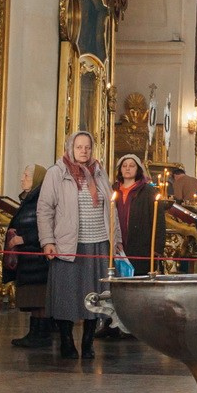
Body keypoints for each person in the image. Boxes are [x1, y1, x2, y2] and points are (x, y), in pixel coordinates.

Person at [38, 130, 113, 360]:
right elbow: (45, 209)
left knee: (95, 296)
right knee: (67, 296)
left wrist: (116, 243)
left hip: (98, 242)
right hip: (68, 244)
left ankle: (88, 342)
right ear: (71, 148)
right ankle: (67, 341)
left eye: (87, 147)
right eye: (79, 147)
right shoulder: (56, 173)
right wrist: (47, 241)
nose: (83, 151)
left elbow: (112, 210)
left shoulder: (99, 172)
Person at [6, 164, 52, 349]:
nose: (22, 178)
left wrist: (22, 239)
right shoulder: (30, 198)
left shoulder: (41, 199)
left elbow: (45, 228)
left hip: (38, 259)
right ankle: (34, 333)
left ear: (37, 179)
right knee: (34, 300)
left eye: (26, 175)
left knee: (39, 298)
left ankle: (41, 335)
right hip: (29, 259)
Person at [111, 153, 155, 272]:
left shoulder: (147, 191)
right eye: (124, 166)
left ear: (138, 170)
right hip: (117, 242)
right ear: (120, 169)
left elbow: (157, 219)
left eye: (131, 166)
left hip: (139, 244)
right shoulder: (113, 189)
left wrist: (157, 248)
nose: (127, 168)